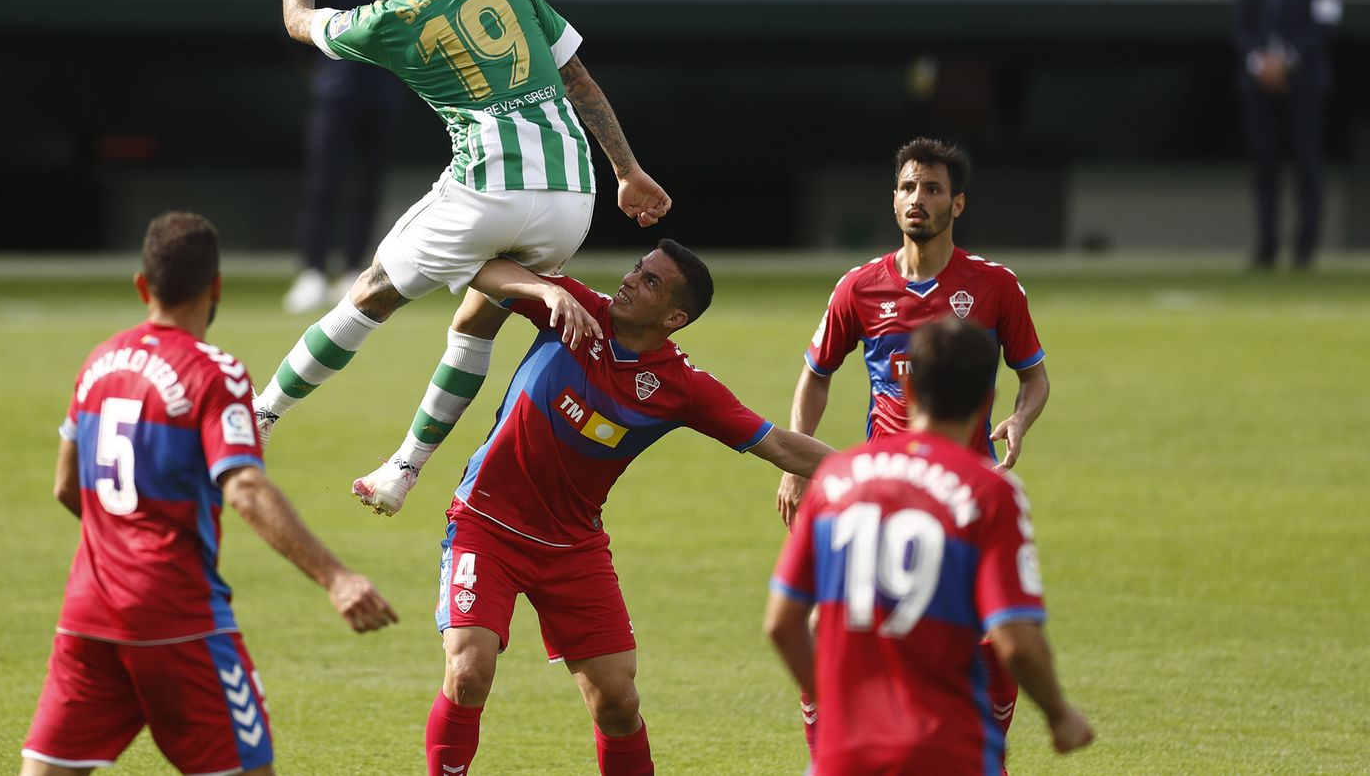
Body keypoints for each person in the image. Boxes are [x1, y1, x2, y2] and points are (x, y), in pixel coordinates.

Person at [255, 0, 672, 518]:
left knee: (370, 294)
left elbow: (297, 19)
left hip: (487, 192)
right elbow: (580, 81)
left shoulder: (382, 20)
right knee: (475, 322)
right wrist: (627, 169)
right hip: (573, 200)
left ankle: (262, 414)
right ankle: (403, 468)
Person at [423, 241, 836, 776]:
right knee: (468, 672)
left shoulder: (682, 387)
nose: (629, 280)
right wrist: (542, 288)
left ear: (674, 317)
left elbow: (779, 445)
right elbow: (484, 270)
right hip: (487, 525)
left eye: (650, 282)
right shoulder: (572, 309)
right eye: (637, 269)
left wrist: (880, 470)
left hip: (573, 549)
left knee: (618, 704)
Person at [19, 211, 398, 776]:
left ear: (142, 286)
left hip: (88, 615)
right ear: (216, 286)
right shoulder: (214, 373)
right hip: (179, 617)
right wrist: (337, 578)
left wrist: (119, 544)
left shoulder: (98, 363)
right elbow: (244, 486)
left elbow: (65, 486)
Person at [775, 137, 1051, 760]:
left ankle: (985, 752)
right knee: (826, 622)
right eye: (906, 188)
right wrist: (799, 463)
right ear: (893, 199)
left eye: (930, 189)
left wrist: (1019, 418)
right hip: (882, 485)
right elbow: (816, 373)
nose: (916, 200)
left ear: (958, 204)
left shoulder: (994, 287)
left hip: (962, 486)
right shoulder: (859, 288)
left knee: (989, 636)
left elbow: (1033, 373)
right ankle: (829, 750)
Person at [765, 317, 1094, 774]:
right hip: (947, 750)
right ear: (987, 401)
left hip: (846, 754)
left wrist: (838, 706)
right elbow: (1015, 641)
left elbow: (783, 623)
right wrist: (1060, 715)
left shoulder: (837, 479)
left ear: (910, 391)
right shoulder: (988, 492)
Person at [282, 0, 409, 316]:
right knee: (324, 183)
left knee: (368, 186)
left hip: (382, 94)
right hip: (336, 97)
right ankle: (312, 271)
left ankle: (353, 269)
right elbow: (299, 36)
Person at [1233, 0, 1341, 270]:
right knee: (1264, 165)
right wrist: (1259, 62)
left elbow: (1324, 25)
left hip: (1305, 83)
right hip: (1259, 83)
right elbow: (1241, 28)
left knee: (1307, 164)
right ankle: (1266, 246)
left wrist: (1288, 59)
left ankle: (1305, 249)